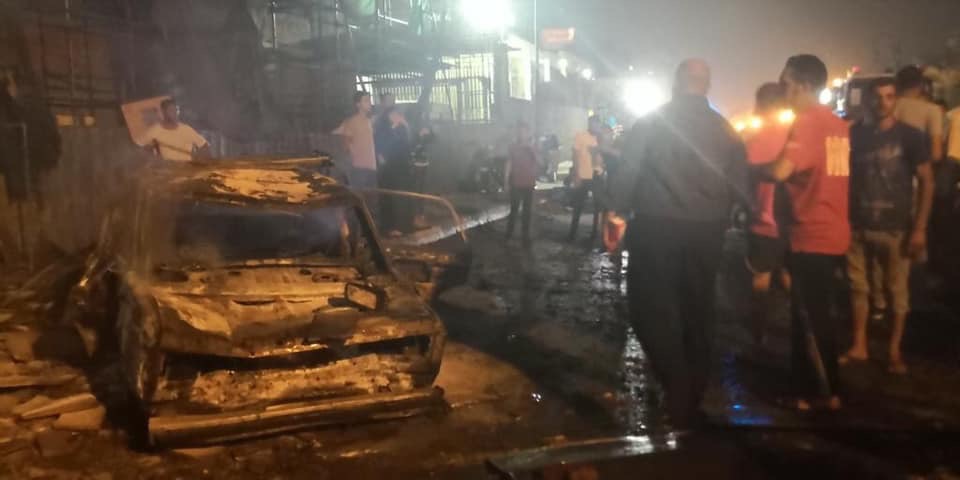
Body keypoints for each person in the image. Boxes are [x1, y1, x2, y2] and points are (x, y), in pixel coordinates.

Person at [608, 59, 748, 429]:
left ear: (675, 83)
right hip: (707, 231)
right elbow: (740, 183)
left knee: (650, 309)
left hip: (657, 227)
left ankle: (677, 385)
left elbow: (629, 169)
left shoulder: (651, 123)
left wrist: (616, 213)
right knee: (698, 309)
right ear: (707, 86)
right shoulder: (726, 129)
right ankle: (690, 394)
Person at [759, 54, 850, 411]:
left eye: (786, 84)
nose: (783, 90)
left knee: (811, 317)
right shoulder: (837, 124)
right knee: (812, 313)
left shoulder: (808, 122)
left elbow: (781, 170)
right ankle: (804, 389)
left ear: (803, 85)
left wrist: (751, 170)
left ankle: (826, 392)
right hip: (832, 228)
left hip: (812, 231)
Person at [841, 78, 934, 374]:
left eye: (889, 96)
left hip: (896, 227)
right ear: (869, 100)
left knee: (897, 292)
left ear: (896, 100)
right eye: (878, 97)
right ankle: (859, 345)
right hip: (858, 224)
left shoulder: (911, 136)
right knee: (858, 287)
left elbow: (927, 181)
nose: (883, 102)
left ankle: (894, 351)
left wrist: (919, 228)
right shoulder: (854, 135)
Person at [743, 83, 792, 351]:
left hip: (761, 221)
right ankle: (801, 326)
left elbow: (742, 180)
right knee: (788, 273)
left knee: (761, 277)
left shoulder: (752, 140)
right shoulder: (794, 135)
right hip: (791, 221)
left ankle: (759, 332)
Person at [134, 98, 210, 162]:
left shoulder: (186, 129)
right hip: (166, 171)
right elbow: (138, 147)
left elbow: (204, 145)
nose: (175, 113)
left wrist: (201, 160)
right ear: (163, 112)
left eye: (176, 110)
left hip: (186, 170)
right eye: (171, 110)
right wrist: (152, 158)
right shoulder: (154, 130)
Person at [377, 107, 414, 234]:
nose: (396, 116)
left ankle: (403, 225)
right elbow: (383, 146)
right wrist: (393, 128)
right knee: (390, 197)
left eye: (397, 114)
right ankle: (390, 227)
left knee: (403, 197)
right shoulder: (383, 129)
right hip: (389, 169)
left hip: (402, 168)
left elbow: (408, 145)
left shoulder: (403, 128)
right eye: (393, 114)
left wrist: (406, 126)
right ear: (387, 116)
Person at [568, 115, 604, 242]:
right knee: (578, 206)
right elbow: (575, 155)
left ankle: (594, 235)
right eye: (593, 124)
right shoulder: (580, 136)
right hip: (582, 175)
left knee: (597, 207)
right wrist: (576, 174)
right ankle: (572, 234)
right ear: (589, 124)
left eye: (597, 124)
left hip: (597, 175)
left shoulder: (601, 138)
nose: (595, 126)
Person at [333, 91, 377, 189]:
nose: (370, 103)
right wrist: (353, 159)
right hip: (359, 167)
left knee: (372, 194)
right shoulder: (352, 122)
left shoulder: (370, 121)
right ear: (358, 104)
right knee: (359, 194)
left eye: (369, 100)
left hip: (372, 166)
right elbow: (346, 143)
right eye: (366, 101)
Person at [505, 121, 538, 246]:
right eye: (519, 131)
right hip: (516, 183)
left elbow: (540, 162)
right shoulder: (512, 147)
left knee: (527, 212)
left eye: (524, 131)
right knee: (514, 210)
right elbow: (509, 164)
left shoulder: (533, 147)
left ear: (528, 133)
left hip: (529, 183)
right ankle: (508, 235)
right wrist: (505, 181)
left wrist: (531, 149)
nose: (521, 133)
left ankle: (525, 236)